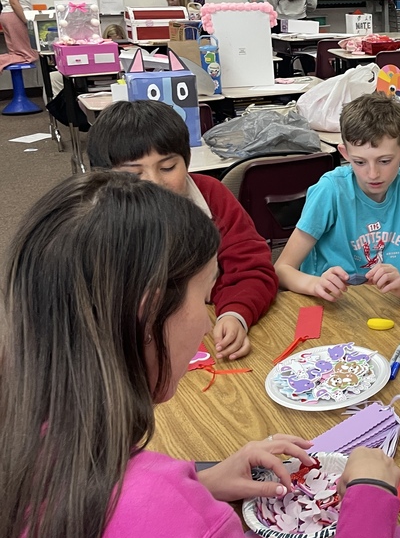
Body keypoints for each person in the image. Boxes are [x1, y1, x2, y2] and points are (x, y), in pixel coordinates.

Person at [0, 172, 400, 538]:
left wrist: (201, 480)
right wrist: (369, 504)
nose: (208, 324)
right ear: (151, 312)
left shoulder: (22, 435)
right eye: (205, 294)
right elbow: (146, 521)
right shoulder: (178, 523)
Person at [88, 101, 277, 360]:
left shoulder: (211, 197)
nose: (155, 182)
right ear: (104, 177)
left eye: (168, 168)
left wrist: (235, 314)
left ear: (186, 162)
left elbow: (251, 268)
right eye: (133, 174)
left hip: (204, 340)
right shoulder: (94, 220)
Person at [275, 92, 400, 301]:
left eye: (385, 161)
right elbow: (282, 269)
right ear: (344, 153)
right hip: (333, 304)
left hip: (388, 302)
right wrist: (314, 283)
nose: (372, 174)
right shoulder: (331, 189)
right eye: (360, 162)